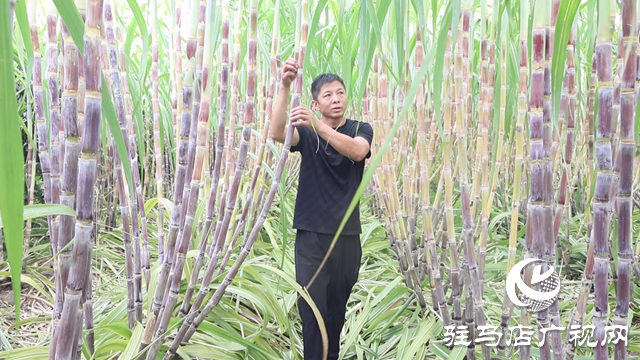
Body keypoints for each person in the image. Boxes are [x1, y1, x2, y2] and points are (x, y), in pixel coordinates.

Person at [269, 58, 373, 360]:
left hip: (347, 239)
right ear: (316, 102)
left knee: (335, 315)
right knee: (312, 312)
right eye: (328, 95)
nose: (336, 99)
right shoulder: (308, 135)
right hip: (312, 238)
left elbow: (357, 152)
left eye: (340, 92)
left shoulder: (359, 129)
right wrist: (285, 86)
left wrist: (315, 123)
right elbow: (277, 132)